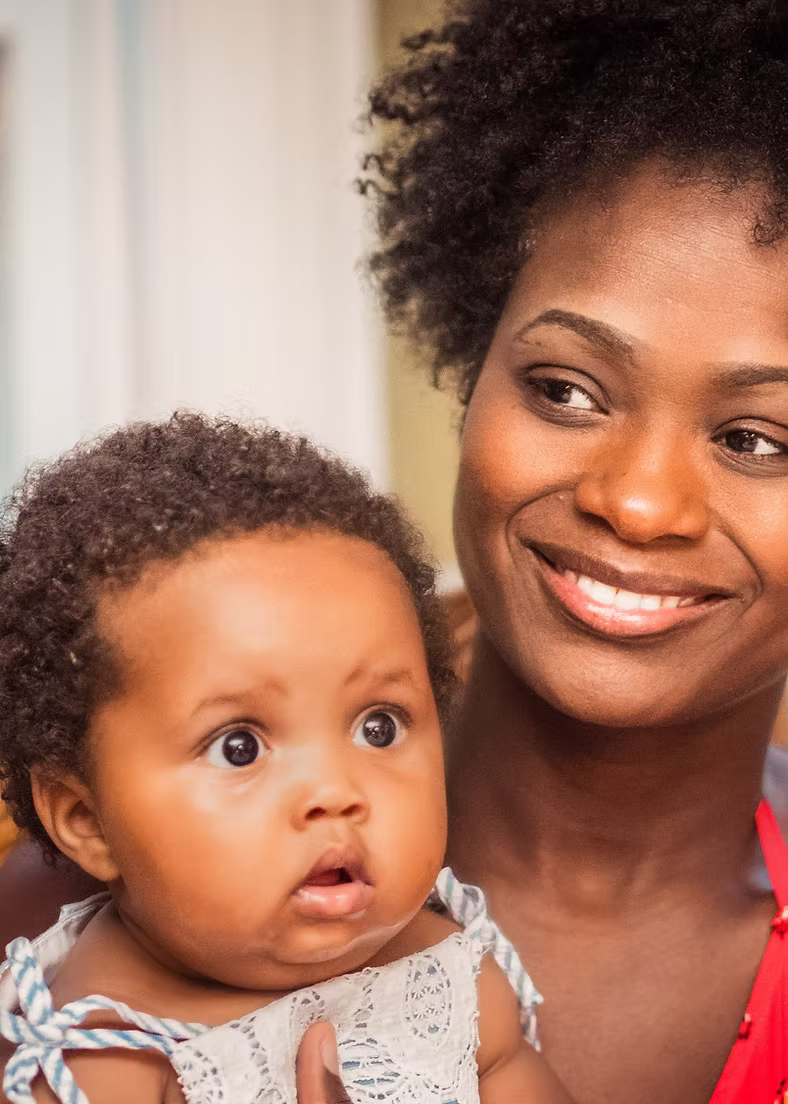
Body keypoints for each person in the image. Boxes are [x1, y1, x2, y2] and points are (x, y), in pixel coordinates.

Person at [5, 0, 788, 1101]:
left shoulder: (457, 993)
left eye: (757, 439)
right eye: (563, 388)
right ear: (471, 369)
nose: (638, 502)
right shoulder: (58, 933)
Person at [0, 414, 571, 1104]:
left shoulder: (446, 976)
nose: (335, 789)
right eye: (239, 746)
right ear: (88, 819)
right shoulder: (103, 1065)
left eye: (379, 728)